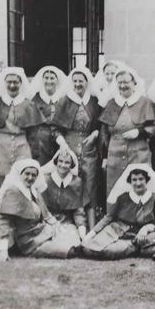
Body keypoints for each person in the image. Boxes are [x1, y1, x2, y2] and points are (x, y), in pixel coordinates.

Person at [80, 164, 155, 260]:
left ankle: (133, 248)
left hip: (138, 235)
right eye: (134, 180)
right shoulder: (123, 197)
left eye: (141, 179)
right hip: (116, 229)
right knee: (88, 247)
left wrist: (146, 228)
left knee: (108, 251)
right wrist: (90, 235)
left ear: (147, 180)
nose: (138, 183)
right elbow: (109, 217)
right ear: (130, 182)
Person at [0, 159, 75, 260]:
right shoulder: (13, 191)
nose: (30, 178)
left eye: (34, 175)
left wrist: (56, 226)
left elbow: (46, 213)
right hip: (29, 241)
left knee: (74, 240)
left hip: (43, 232)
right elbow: (4, 222)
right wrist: (3, 251)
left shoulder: (33, 190)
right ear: (20, 174)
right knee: (70, 251)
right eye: (27, 174)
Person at [52, 67, 102, 227]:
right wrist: (62, 143)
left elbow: (101, 124)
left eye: (81, 81)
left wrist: (95, 133)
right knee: (70, 185)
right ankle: (72, 225)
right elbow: (54, 127)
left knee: (90, 185)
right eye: (75, 81)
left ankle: (92, 227)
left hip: (89, 150)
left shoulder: (94, 101)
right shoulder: (64, 101)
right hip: (69, 148)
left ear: (87, 82)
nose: (78, 84)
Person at [99, 67, 155, 195]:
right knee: (115, 187)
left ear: (134, 83)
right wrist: (104, 156)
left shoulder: (145, 102)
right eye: (119, 82)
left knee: (138, 185)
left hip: (138, 153)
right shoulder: (111, 103)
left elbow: (154, 128)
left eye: (126, 82)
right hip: (115, 154)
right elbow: (104, 132)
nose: (123, 85)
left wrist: (139, 132)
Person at [0, 67, 45, 188]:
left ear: (21, 83)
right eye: (9, 82)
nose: (12, 85)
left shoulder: (29, 104)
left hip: (22, 144)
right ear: (4, 83)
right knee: (0, 176)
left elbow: (33, 133)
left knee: (23, 175)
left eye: (16, 82)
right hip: (1, 144)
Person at [39, 146, 88, 257]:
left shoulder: (77, 182)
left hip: (67, 223)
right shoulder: (46, 180)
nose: (63, 165)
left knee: (73, 246)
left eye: (67, 162)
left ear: (71, 165)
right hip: (47, 222)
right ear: (56, 162)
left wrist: (82, 235)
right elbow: (42, 209)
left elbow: (79, 212)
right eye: (60, 161)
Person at [27, 66, 67, 164]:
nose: (49, 81)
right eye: (46, 78)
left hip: (60, 140)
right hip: (39, 142)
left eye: (52, 78)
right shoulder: (35, 99)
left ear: (57, 80)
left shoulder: (63, 99)